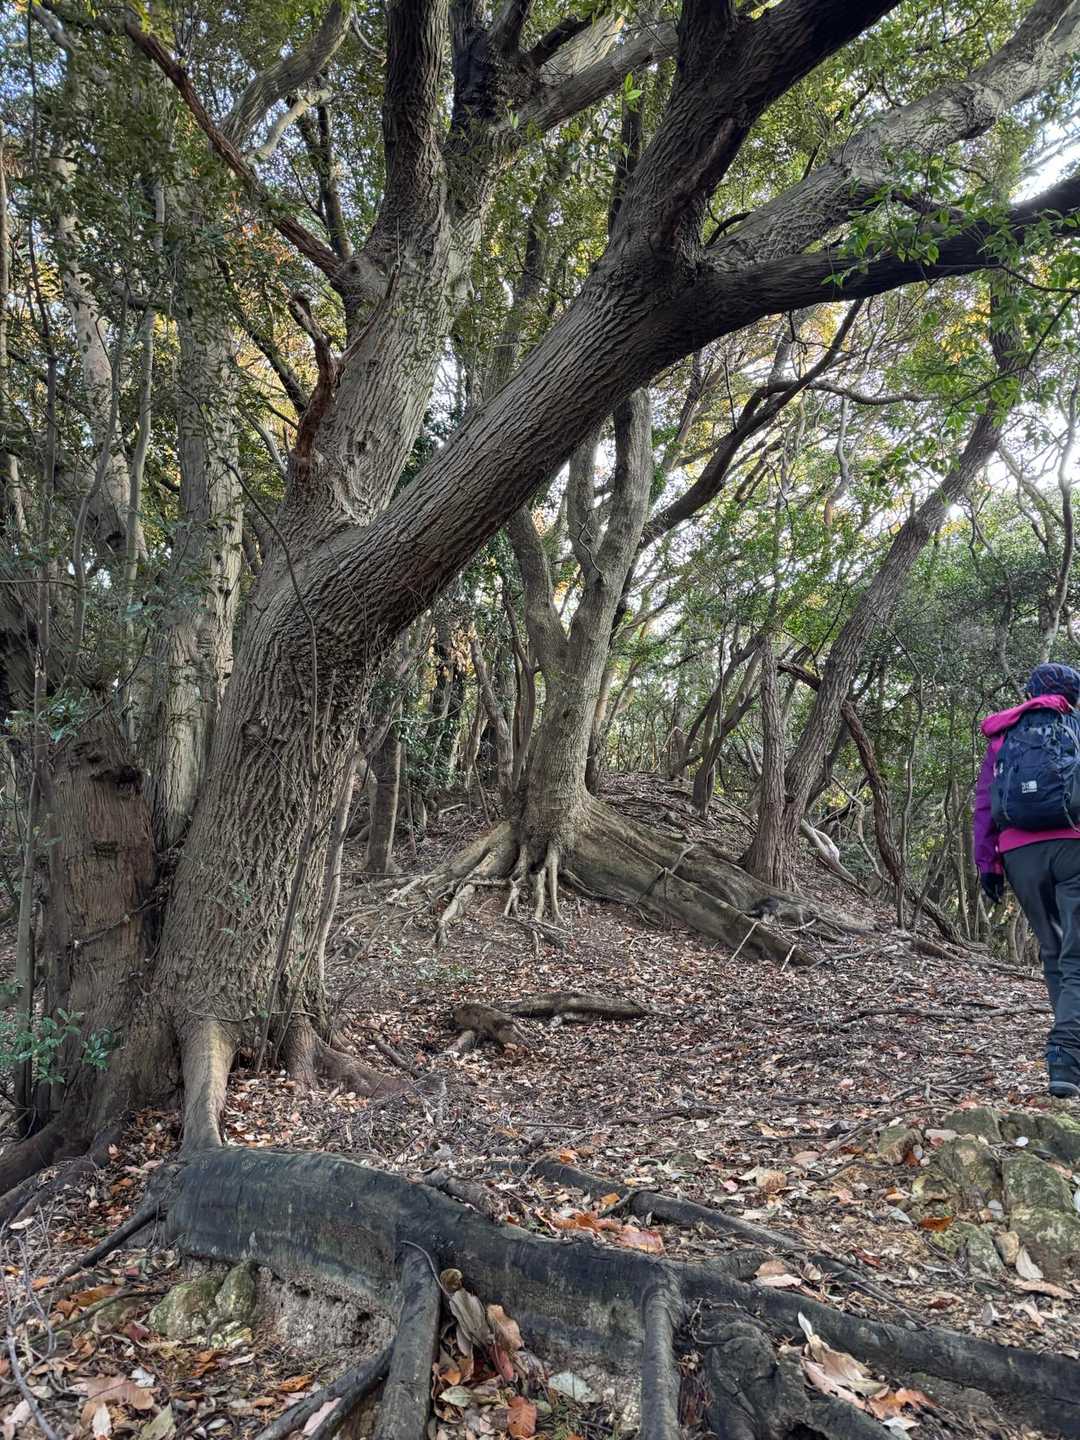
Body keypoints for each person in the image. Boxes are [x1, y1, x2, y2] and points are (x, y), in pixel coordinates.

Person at [974, 661, 1080, 1098]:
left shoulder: (1004, 734)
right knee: (1077, 956)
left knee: (1053, 950)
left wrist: (987, 864)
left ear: (1030, 692)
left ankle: (1066, 1054)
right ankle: (1066, 1054)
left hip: (1019, 853)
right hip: (1074, 845)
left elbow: (985, 803)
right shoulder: (1074, 726)